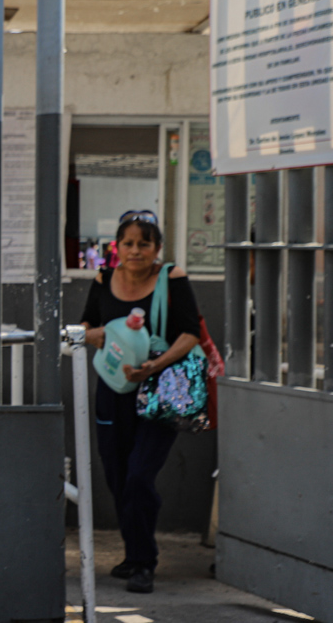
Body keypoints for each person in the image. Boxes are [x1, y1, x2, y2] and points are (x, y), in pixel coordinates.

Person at [80, 210, 202, 595]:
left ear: (157, 248)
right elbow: (85, 326)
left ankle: (144, 561)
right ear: (117, 247)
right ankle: (134, 553)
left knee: (139, 476)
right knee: (117, 475)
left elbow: (191, 333)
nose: (135, 251)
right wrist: (94, 334)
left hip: (160, 394)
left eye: (144, 244)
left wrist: (154, 366)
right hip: (112, 392)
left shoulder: (172, 277)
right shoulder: (103, 279)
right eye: (128, 243)